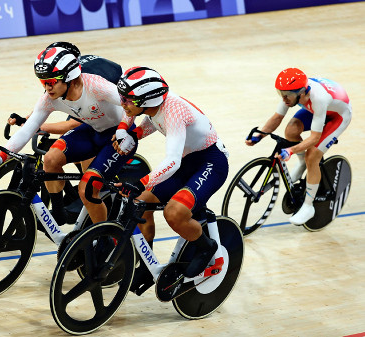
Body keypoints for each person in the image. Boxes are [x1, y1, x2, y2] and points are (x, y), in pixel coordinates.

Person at [0, 43, 136, 226]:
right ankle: (59, 211)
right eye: (42, 81)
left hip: (117, 139)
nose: (47, 87)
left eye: (51, 81)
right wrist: (0, 158)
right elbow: (27, 130)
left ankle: (103, 236)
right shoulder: (51, 97)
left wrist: (122, 130)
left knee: (86, 189)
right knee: (50, 159)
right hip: (92, 130)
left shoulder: (95, 85)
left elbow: (131, 104)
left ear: (68, 77)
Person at [113, 66, 229, 291]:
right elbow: (154, 122)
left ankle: (206, 247)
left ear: (147, 99)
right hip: (189, 161)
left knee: (174, 214)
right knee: (140, 204)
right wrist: (133, 134)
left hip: (210, 162)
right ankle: (147, 265)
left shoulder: (175, 111)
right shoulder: (155, 107)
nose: (123, 104)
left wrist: (141, 182)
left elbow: (172, 161)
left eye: (128, 100)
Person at [246, 68, 352, 225]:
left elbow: (315, 137)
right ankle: (302, 163)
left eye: (287, 95)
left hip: (338, 116)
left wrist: (291, 150)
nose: (283, 99)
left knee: (312, 156)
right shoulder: (292, 93)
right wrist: (259, 135)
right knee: (291, 130)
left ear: (301, 93)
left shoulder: (318, 98)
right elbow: (277, 117)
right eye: (280, 93)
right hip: (317, 110)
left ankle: (308, 207)